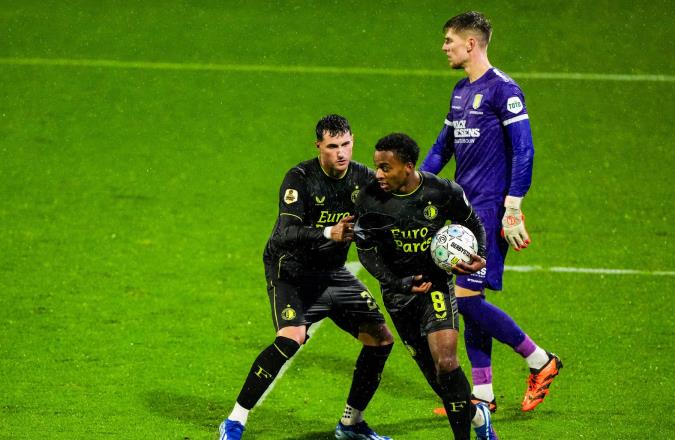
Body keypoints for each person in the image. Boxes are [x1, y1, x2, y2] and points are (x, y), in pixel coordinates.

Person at [219, 115, 395, 440]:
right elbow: (286, 232)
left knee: (380, 338)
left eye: (345, 144)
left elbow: (391, 217)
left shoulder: (363, 179)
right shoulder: (300, 178)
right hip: (290, 270)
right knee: (290, 337)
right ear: (318, 146)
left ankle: (351, 423)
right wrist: (331, 231)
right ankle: (235, 420)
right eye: (332, 146)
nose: (340, 153)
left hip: (331, 273)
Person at [420, 11, 562, 414]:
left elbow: (525, 149)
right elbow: (440, 148)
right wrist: (412, 187)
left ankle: (541, 361)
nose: (444, 47)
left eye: (449, 40)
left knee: (464, 300)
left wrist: (513, 206)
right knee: (469, 296)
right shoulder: (460, 92)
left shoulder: (504, 90)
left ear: (471, 44)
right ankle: (482, 394)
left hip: (489, 210)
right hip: (465, 210)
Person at [355, 132, 498, 440]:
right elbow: (365, 252)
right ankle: (477, 416)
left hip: (436, 286)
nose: (378, 174)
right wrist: (398, 282)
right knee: (438, 380)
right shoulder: (369, 199)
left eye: (385, 167)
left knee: (447, 362)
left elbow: (473, 224)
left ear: (408, 166)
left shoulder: (442, 192)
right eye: (376, 166)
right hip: (398, 295)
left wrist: (480, 257)